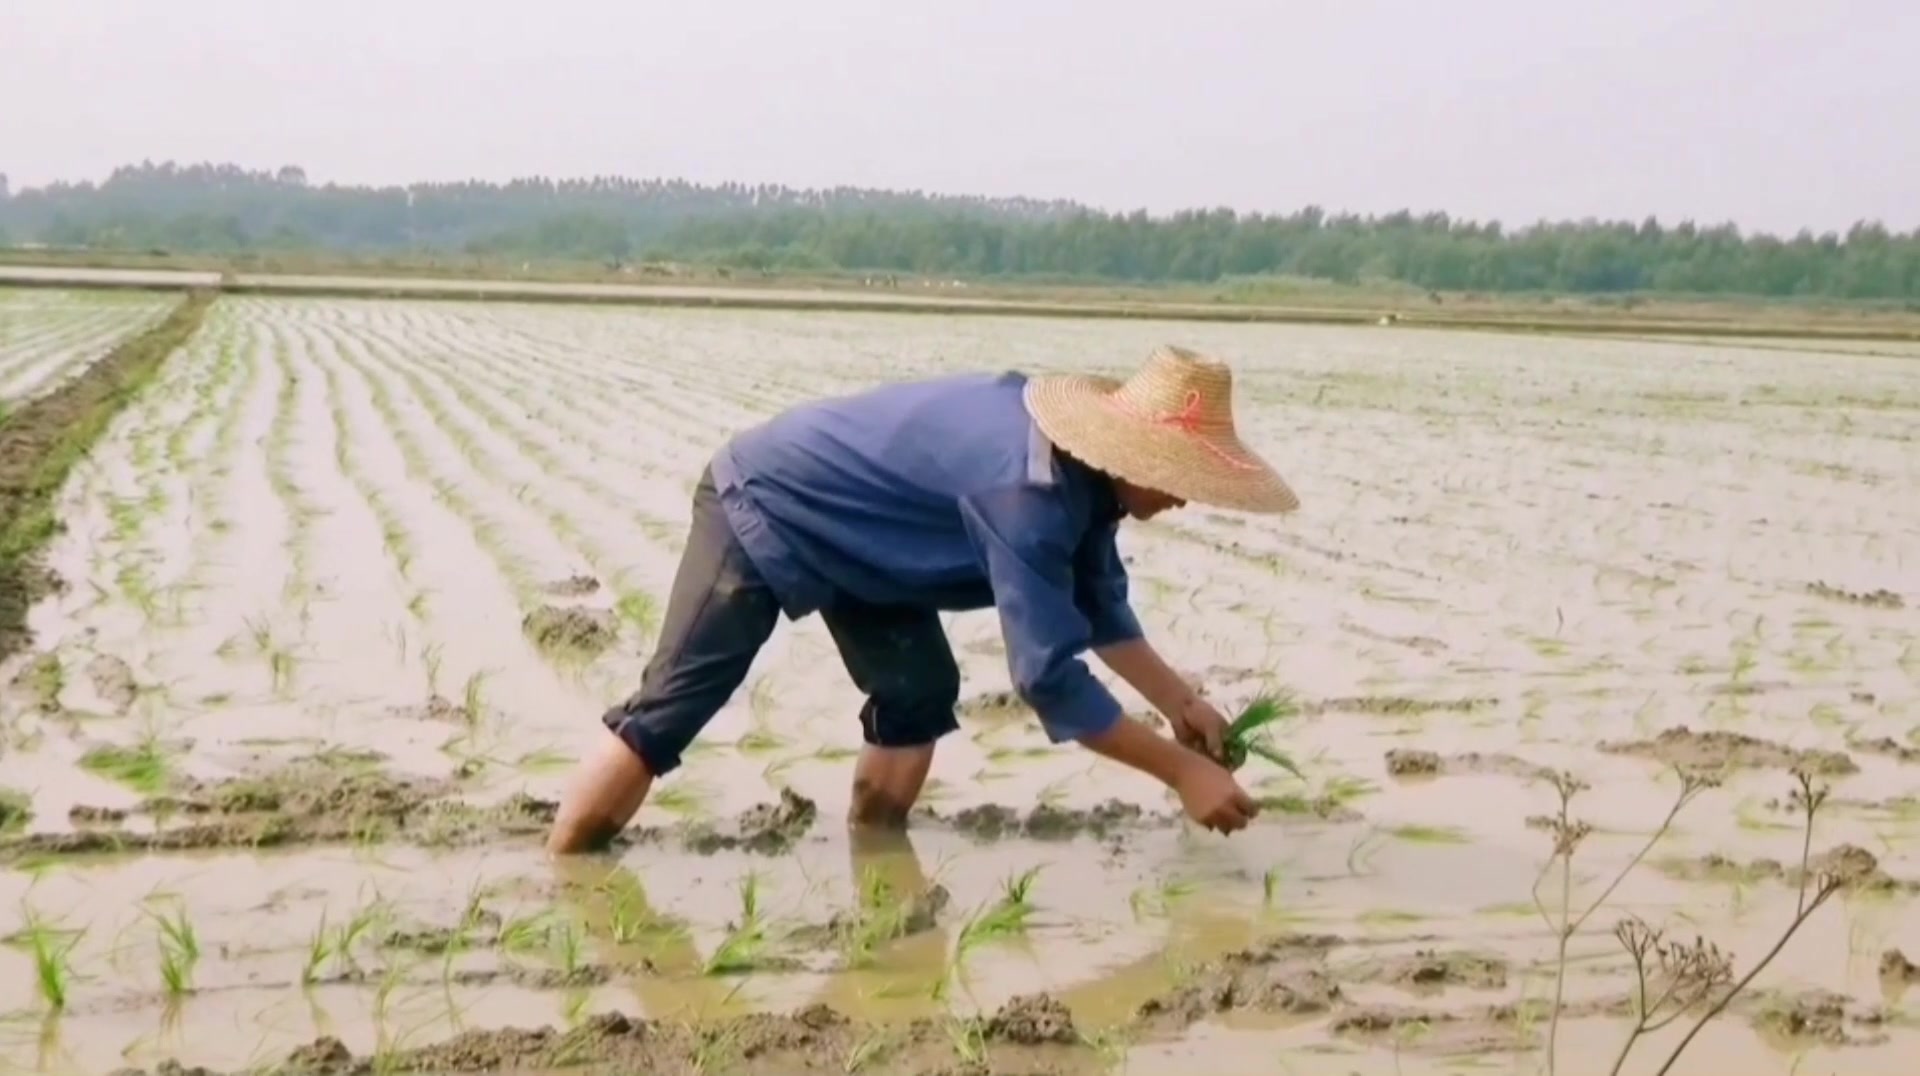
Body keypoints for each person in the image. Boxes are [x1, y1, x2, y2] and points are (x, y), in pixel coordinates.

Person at [545, 344, 1301, 854]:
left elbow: (1097, 605)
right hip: (769, 499)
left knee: (918, 691)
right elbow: (1047, 677)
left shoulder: (1087, 484)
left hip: (874, 543)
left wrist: (1182, 703)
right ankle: (565, 875)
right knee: (672, 709)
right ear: (1134, 455)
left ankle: (877, 855)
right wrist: (1181, 770)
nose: (1184, 500)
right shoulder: (1027, 490)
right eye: (1179, 479)